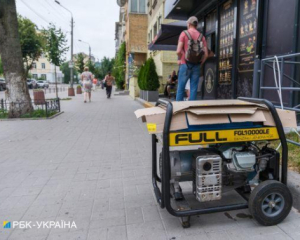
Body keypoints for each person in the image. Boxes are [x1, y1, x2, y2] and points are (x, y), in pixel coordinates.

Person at [176, 16, 208, 101]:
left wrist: (180, 58)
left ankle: (178, 110)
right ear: (196, 25)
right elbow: (206, 54)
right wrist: (200, 63)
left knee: (181, 88)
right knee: (193, 89)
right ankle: (191, 111)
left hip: (185, 64)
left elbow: (178, 51)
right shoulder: (202, 36)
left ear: (189, 24)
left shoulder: (184, 33)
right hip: (196, 65)